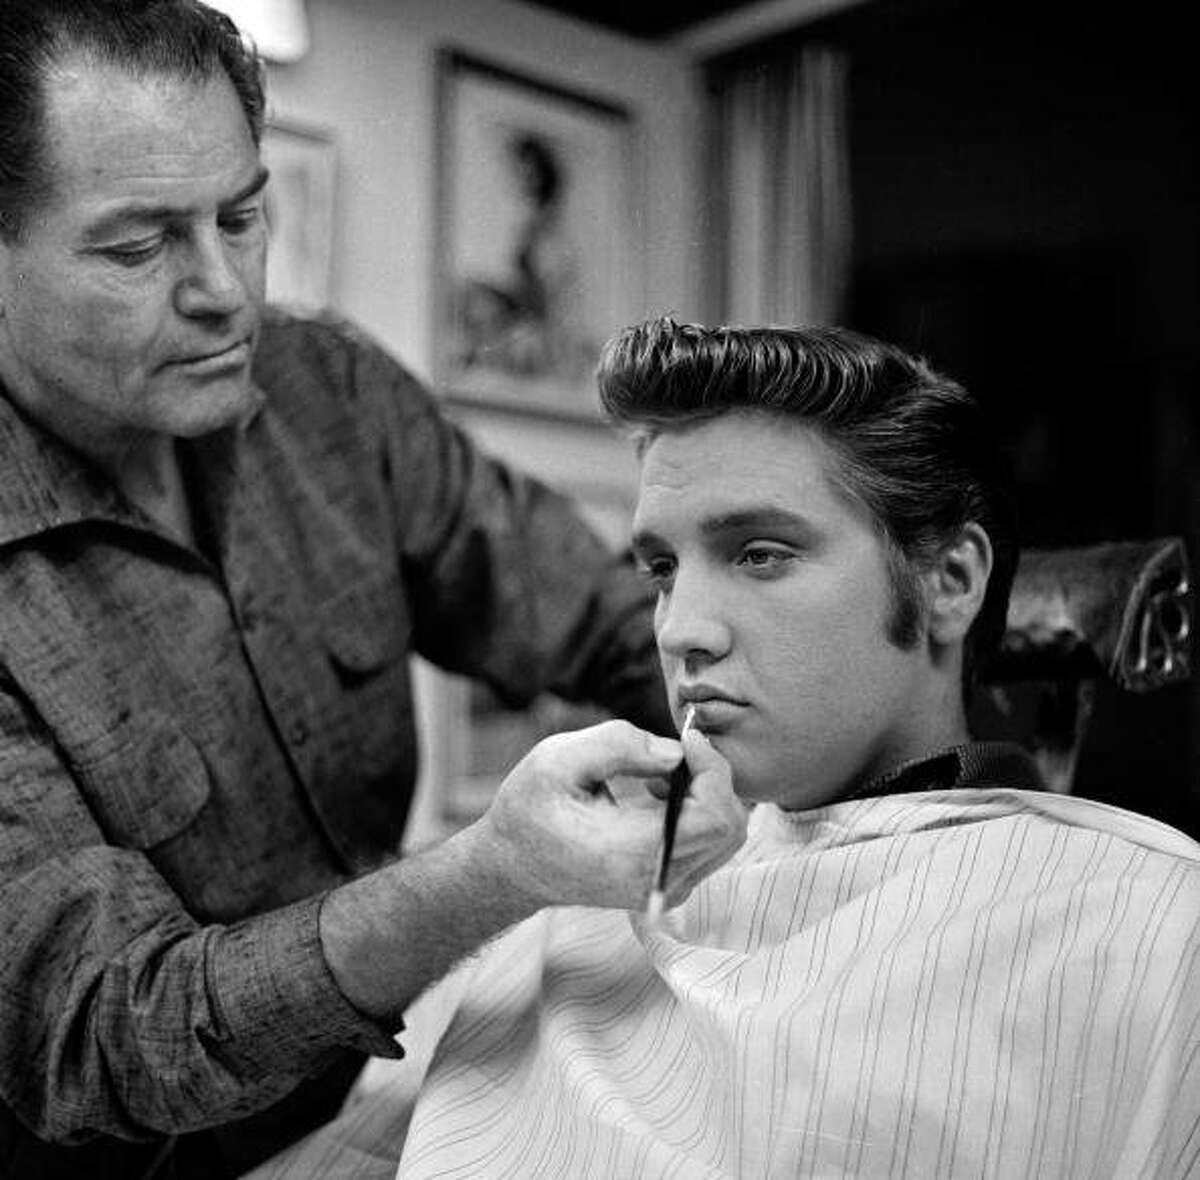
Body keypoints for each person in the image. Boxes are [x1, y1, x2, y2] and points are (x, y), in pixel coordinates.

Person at [0, 6, 747, 1178]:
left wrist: (785, 736)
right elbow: (109, 1033)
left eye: (242, 215)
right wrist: (493, 870)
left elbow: (602, 615)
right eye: (139, 248)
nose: (226, 293)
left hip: (385, 1105)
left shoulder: (327, 389)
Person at [365, 319, 1197, 1178]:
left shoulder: (1151, 929)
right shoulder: (561, 901)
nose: (679, 630)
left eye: (760, 554)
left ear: (949, 582)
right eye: (661, 570)